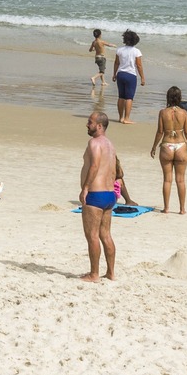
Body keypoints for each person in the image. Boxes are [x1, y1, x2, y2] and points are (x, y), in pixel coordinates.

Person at [78, 111, 117, 280]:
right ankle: (110, 273)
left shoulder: (94, 142)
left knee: (92, 236)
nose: (87, 124)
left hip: (95, 195)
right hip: (109, 195)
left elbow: (94, 165)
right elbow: (115, 170)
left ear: (99, 126)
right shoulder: (110, 144)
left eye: (90, 122)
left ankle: (94, 274)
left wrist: (85, 188)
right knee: (106, 235)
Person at [147, 87, 187, 216]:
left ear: (168, 98)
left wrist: (153, 147)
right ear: (180, 98)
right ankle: (182, 209)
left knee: (167, 180)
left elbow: (159, 132)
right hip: (180, 145)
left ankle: (166, 208)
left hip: (166, 145)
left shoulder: (163, 112)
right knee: (180, 180)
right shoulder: (184, 113)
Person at [112, 31, 143, 122]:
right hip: (131, 75)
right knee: (129, 97)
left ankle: (121, 117)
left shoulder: (120, 50)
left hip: (121, 74)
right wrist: (142, 78)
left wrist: (114, 74)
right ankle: (127, 118)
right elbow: (139, 65)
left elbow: (116, 63)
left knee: (121, 96)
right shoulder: (136, 51)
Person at [87, 28, 110, 92]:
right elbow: (108, 44)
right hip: (102, 58)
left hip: (96, 58)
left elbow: (90, 50)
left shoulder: (94, 42)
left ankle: (103, 82)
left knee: (100, 70)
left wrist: (94, 49)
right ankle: (93, 78)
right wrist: (113, 45)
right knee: (102, 71)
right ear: (100, 35)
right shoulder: (101, 42)